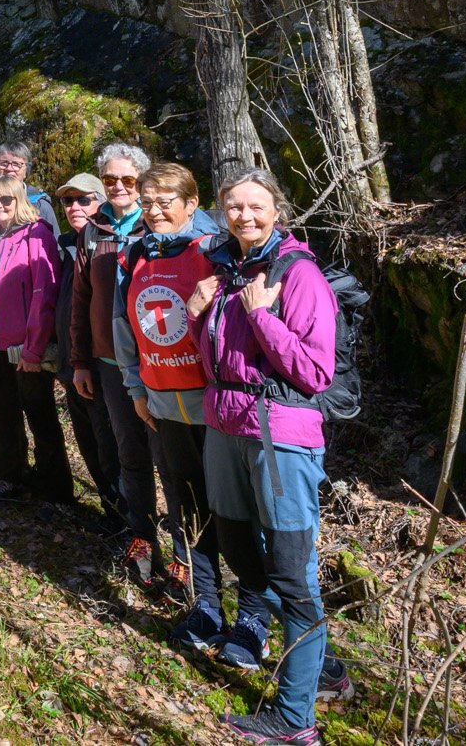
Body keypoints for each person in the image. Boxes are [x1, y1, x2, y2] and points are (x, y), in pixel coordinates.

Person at [190, 167, 351, 743]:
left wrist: (260, 316)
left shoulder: (299, 275)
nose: (244, 216)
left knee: (290, 573)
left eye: (255, 206)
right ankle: (324, 670)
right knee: (240, 554)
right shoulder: (228, 271)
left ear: (276, 210)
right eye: (234, 207)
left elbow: (315, 371)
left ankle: (294, 719)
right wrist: (197, 311)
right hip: (224, 428)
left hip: (280, 434)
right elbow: (216, 359)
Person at [111, 161, 272, 662]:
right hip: (163, 403)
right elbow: (125, 325)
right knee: (188, 510)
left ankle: (253, 616)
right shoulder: (135, 253)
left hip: (218, 409)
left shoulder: (215, 251)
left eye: (167, 201)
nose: (156, 210)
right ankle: (206, 606)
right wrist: (135, 387)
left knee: (237, 513)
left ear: (190, 203)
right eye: (150, 200)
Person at [70, 142, 168, 585]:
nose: (118, 187)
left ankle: (186, 551)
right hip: (110, 360)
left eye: (127, 180)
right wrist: (81, 361)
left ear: (142, 181)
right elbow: (80, 299)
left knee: (171, 458)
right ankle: (142, 536)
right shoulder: (94, 229)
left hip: (161, 362)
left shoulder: (158, 225)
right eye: (110, 180)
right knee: (130, 453)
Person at [0, 174, 68, 503]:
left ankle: (54, 485)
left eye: (6, 200)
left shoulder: (37, 235)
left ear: (19, 202)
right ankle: (10, 477)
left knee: (39, 414)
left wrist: (35, 348)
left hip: (25, 347)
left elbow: (44, 295)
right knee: (3, 413)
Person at [54, 172, 122, 530]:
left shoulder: (111, 242)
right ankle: (112, 516)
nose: (75, 207)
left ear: (101, 203)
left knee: (111, 449)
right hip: (73, 364)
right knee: (90, 447)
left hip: (105, 365)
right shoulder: (65, 244)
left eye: (84, 199)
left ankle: (127, 525)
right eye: (68, 201)